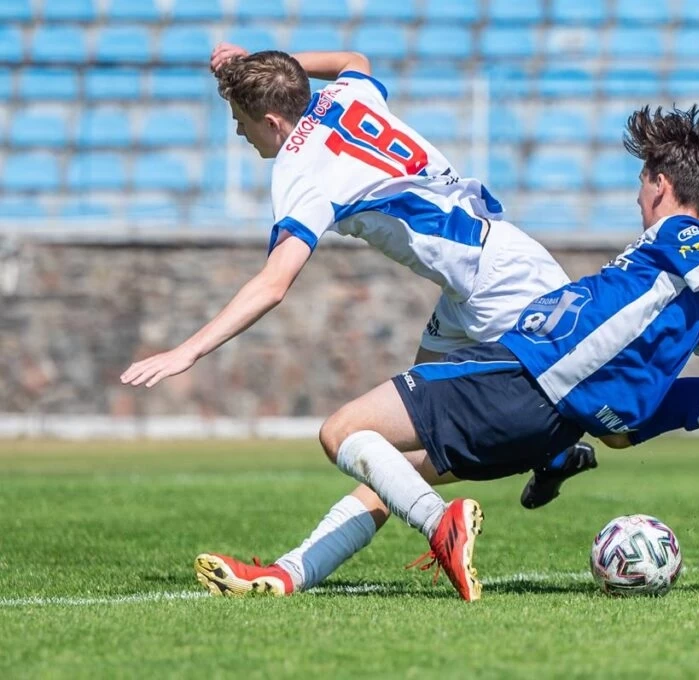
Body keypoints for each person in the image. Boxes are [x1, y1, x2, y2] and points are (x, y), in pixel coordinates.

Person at [194, 104, 699, 602]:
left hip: (522, 381)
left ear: (659, 183)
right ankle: (289, 573)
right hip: (561, 417)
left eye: (640, 181)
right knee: (394, 473)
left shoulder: (683, 236)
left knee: (344, 431)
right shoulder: (684, 291)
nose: (637, 194)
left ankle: (445, 523)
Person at [120, 46, 597, 597]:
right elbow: (356, 59)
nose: (237, 132)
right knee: (393, 456)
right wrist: (267, 64)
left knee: (388, 442)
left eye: (240, 120)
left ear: (272, 122)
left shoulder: (300, 170)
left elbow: (273, 284)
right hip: (486, 270)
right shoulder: (344, 97)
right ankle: (290, 573)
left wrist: (188, 351)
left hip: (503, 289)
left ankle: (458, 512)